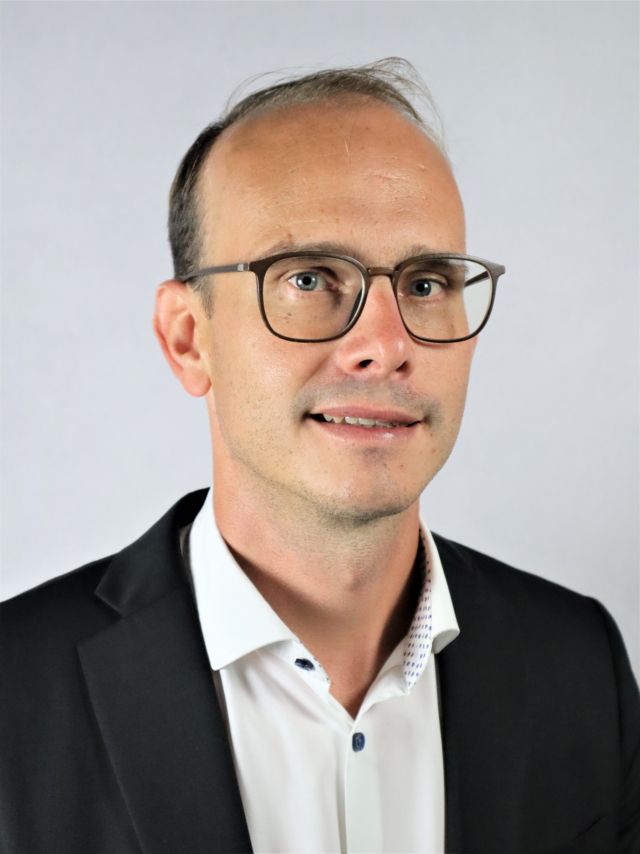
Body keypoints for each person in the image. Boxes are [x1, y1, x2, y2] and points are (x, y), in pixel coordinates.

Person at [1, 59, 638, 854]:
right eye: (308, 278)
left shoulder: (580, 667)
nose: (386, 344)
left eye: (426, 283)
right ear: (189, 338)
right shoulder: (15, 691)